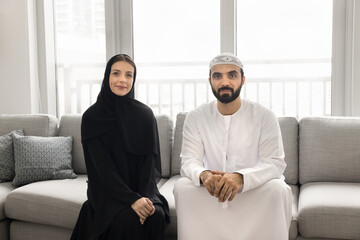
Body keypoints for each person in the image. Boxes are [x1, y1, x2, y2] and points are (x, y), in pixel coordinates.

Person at [174, 53, 292, 240]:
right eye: (217, 76)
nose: (225, 82)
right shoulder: (196, 117)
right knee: (182, 187)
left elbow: (275, 163)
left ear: (242, 80)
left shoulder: (264, 115)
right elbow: (189, 161)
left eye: (232, 75)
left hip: (252, 190)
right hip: (212, 192)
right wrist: (204, 175)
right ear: (210, 81)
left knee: (278, 189)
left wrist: (240, 178)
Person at [71, 54, 169, 240]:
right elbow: (102, 170)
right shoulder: (92, 117)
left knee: (155, 214)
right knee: (126, 218)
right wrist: (131, 199)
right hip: (106, 191)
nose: (122, 80)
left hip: (142, 189)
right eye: (116, 73)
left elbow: (149, 167)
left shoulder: (145, 115)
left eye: (129, 75)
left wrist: (143, 198)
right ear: (107, 76)